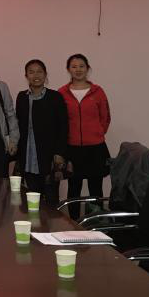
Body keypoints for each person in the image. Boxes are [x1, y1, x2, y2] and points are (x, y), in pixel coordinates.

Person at [58, 54, 111, 218]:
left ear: (87, 68)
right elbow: (60, 120)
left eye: (81, 66)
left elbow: (105, 118)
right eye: (74, 66)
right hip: (72, 148)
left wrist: (96, 133)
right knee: (74, 187)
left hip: (96, 148)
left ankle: (96, 221)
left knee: (96, 188)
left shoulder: (98, 91)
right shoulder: (62, 92)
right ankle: (73, 223)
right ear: (68, 69)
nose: (78, 70)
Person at [14, 59, 68, 205]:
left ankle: (53, 221)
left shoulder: (55, 97)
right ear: (26, 76)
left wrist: (60, 152)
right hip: (28, 157)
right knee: (32, 200)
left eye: (39, 71)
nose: (36, 75)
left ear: (45, 75)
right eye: (31, 72)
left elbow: (63, 127)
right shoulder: (21, 97)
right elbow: (18, 125)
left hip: (49, 157)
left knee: (51, 199)